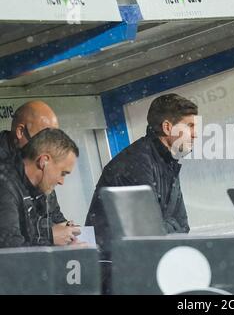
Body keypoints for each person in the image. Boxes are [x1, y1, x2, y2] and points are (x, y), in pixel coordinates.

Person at [85, 93, 198, 293]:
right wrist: (168, 227)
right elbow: (148, 234)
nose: (195, 134)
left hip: (139, 268)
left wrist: (166, 227)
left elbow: (183, 225)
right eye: (189, 126)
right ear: (167, 127)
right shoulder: (135, 162)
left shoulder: (167, 161)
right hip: (117, 275)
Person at [0, 100, 80, 246]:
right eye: (46, 135)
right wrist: (48, 237)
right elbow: (10, 244)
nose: (52, 142)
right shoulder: (6, 179)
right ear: (20, 132)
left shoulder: (40, 173)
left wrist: (67, 231)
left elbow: (52, 215)